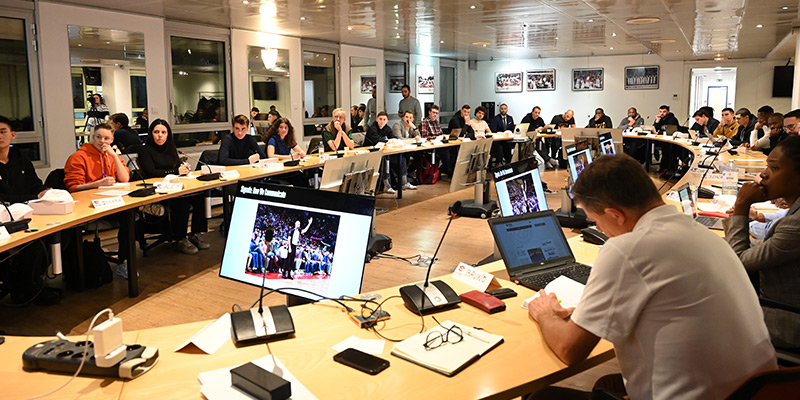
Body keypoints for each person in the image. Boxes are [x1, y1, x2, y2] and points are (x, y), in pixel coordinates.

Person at [528, 153, 777, 400]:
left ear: (615, 214)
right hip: (757, 391)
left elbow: (569, 349)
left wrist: (545, 313)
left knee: (542, 397)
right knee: (609, 383)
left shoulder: (626, 250)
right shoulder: (704, 234)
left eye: (596, 221)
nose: (600, 230)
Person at [725, 136, 800, 349]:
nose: (763, 175)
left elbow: (738, 261)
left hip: (786, 319)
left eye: (774, 168)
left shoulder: (796, 225)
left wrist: (741, 205)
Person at [137, 119, 209, 255]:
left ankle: (195, 233)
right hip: (157, 191)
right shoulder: (145, 150)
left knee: (200, 195)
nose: (160, 135)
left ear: (168, 134)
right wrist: (175, 172)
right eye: (156, 132)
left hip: (174, 186)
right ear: (151, 133)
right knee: (182, 203)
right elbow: (150, 172)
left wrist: (183, 168)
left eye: (163, 132)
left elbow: (176, 166)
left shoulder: (170, 148)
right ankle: (180, 238)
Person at [64, 123, 130, 192]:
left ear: (112, 140)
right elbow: (73, 187)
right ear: (93, 138)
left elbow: (124, 179)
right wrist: (99, 184)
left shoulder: (112, 156)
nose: (102, 141)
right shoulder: (78, 157)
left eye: (106, 138)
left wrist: (114, 156)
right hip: (88, 197)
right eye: (98, 137)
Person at [0, 115, 48, 203]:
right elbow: (2, 198)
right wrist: (35, 197)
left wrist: (44, 192)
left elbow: (35, 184)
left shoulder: (20, 157)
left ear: (13, 135)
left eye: (3, 132)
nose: (0, 136)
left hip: (27, 209)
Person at [420, 105, 454, 177]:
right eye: (433, 112)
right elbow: (424, 137)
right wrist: (437, 137)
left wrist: (443, 137)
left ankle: (445, 169)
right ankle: (446, 169)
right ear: (429, 112)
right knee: (446, 153)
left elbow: (441, 134)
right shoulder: (425, 122)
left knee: (453, 150)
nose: (435, 115)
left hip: (440, 144)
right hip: (431, 146)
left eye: (436, 113)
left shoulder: (437, 123)